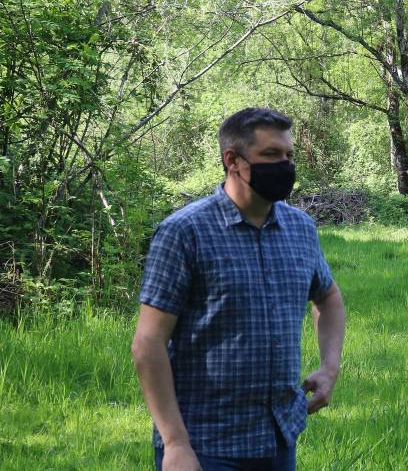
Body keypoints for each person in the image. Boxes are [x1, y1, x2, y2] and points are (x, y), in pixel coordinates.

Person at [132, 108, 346, 471]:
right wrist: (175, 443)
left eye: (288, 155)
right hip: (205, 443)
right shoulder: (184, 232)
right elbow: (148, 343)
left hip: (278, 437)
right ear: (233, 160)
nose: (285, 165)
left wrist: (329, 368)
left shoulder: (300, 228)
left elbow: (328, 297)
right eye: (271, 155)